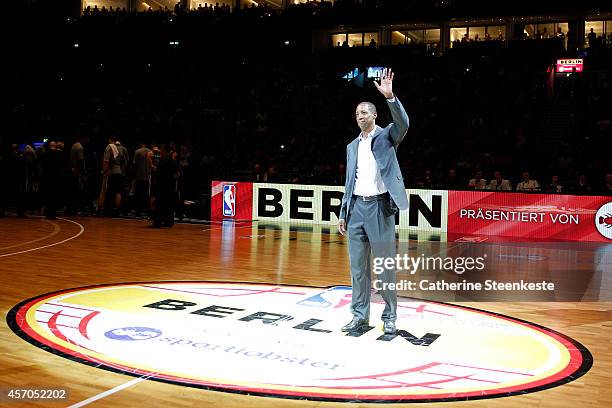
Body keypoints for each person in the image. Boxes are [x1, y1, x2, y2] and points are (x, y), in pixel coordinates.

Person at [338, 68, 409, 335]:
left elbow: (404, 124)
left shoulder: (388, 136)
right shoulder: (352, 146)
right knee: (358, 270)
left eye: (364, 112)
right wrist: (344, 212)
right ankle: (359, 316)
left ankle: (390, 316)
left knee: (385, 268)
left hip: (380, 208)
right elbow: (349, 182)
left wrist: (391, 97)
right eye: (357, 114)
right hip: (356, 208)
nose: (360, 117)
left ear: (375, 115)